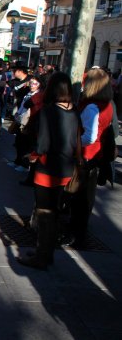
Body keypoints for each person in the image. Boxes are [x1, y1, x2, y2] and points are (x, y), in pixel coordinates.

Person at [17, 72, 78, 270]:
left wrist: (33, 156)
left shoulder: (48, 111)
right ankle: (47, 252)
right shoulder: (74, 110)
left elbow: (42, 144)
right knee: (55, 212)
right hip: (66, 168)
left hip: (48, 168)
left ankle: (41, 256)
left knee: (44, 213)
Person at [63, 68, 114, 248]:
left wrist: (71, 142)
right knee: (84, 199)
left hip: (86, 156)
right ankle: (77, 232)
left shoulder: (92, 106)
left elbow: (90, 136)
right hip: (95, 156)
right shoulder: (107, 104)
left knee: (79, 198)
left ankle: (76, 235)